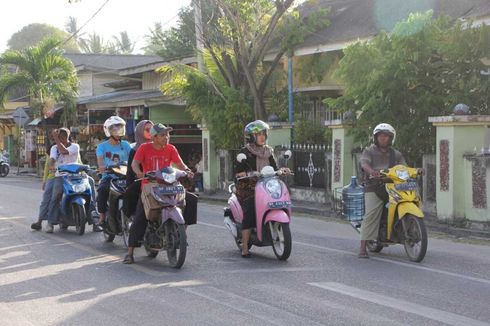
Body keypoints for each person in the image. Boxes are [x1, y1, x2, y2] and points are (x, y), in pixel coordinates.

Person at [123, 123, 196, 264]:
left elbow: (180, 164)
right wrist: (138, 172)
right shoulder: (144, 148)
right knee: (141, 216)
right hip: (149, 186)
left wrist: (187, 170)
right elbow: (135, 163)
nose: (166, 137)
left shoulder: (171, 148)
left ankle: (182, 232)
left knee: (191, 200)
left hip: (169, 184)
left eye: (167, 134)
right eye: (163, 135)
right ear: (154, 137)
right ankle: (130, 252)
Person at [234, 120, 290, 258]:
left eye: (264, 133)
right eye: (258, 134)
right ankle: (245, 246)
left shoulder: (268, 151)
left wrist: (282, 170)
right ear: (251, 136)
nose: (262, 137)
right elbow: (237, 172)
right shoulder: (244, 152)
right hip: (248, 186)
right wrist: (248, 174)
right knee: (251, 209)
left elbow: (275, 169)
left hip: (266, 185)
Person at [358, 123, 406, 258]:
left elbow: (404, 168)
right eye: (381, 136)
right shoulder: (369, 151)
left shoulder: (396, 154)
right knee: (371, 214)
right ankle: (362, 248)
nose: (384, 139)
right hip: (374, 186)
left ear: (391, 138)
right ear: (376, 137)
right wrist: (372, 172)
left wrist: (416, 171)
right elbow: (364, 163)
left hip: (393, 186)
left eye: (387, 136)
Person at [95, 116, 132, 231]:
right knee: (102, 191)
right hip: (109, 177)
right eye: (114, 129)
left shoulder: (126, 145)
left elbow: (133, 159)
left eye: (120, 128)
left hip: (126, 177)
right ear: (108, 131)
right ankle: (102, 217)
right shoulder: (101, 147)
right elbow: (100, 161)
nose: (118, 131)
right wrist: (102, 167)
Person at [45, 128, 81, 233]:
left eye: (63, 137)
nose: (61, 140)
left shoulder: (75, 146)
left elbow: (64, 151)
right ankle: (50, 222)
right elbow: (52, 159)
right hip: (60, 175)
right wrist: (51, 165)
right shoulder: (54, 147)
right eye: (59, 137)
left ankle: (94, 218)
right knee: (55, 196)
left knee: (88, 188)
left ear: (67, 137)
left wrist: (56, 138)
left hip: (74, 176)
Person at [123, 119, 154, 218]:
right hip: (142, 180)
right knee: (131, 193)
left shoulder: (160, 146)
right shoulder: (135, 150)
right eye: (147, 130)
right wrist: (130, 185)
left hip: (160, 181)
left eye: (152, 130)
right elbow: (131, 170)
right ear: (140, 131)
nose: (150, 132)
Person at [30, 142, 56, 231]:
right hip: (53, 177)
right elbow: (47, 167)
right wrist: (44, 181)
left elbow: (78, 162)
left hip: (69, 178)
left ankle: (95, 220)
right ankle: (41, 221)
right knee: (47, 199)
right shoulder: (52, 149)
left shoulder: (72, 148)